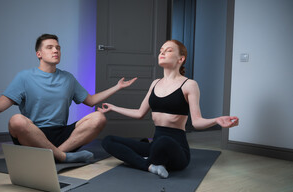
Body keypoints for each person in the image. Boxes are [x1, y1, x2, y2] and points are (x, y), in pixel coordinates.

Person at [0, 34, 137, 163]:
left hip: (61, 135)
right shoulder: (24, 77)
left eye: (58, 47)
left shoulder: (68, 78)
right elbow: (0, 106)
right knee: (15, 120)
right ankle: (62, 157)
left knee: (99, 118)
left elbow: (91, 101)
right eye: (50, 47)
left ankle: (55, 155)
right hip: (33, 136)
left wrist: (117, 86)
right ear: (39, 53)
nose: (56, 50)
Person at [98, 39, 239, 178]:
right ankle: (149, 166)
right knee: (108, 140)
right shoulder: (155, 83)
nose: (162, 53)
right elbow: (140, 113)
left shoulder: (189, 85)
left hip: (176, 149)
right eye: (161, 51)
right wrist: (113, 107)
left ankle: (149, 160)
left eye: (169, 50)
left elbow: (196, 122)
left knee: (162, 142)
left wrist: (217, 120)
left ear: (181, 59)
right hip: (155, 144)